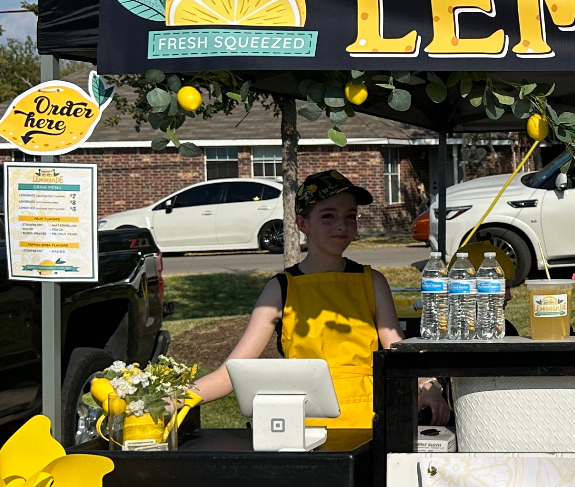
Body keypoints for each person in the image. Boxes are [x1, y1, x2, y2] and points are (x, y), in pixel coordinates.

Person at [192, 170, 449, 427]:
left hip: (371, 420)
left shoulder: (372, 281)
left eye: (351, 216)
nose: (342, 225)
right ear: (302, 224)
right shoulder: (282, 288)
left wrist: (428, 385)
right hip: (303, 426)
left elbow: (397, 349)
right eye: (328, 216)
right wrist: (173, 397)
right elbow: (231, 372)